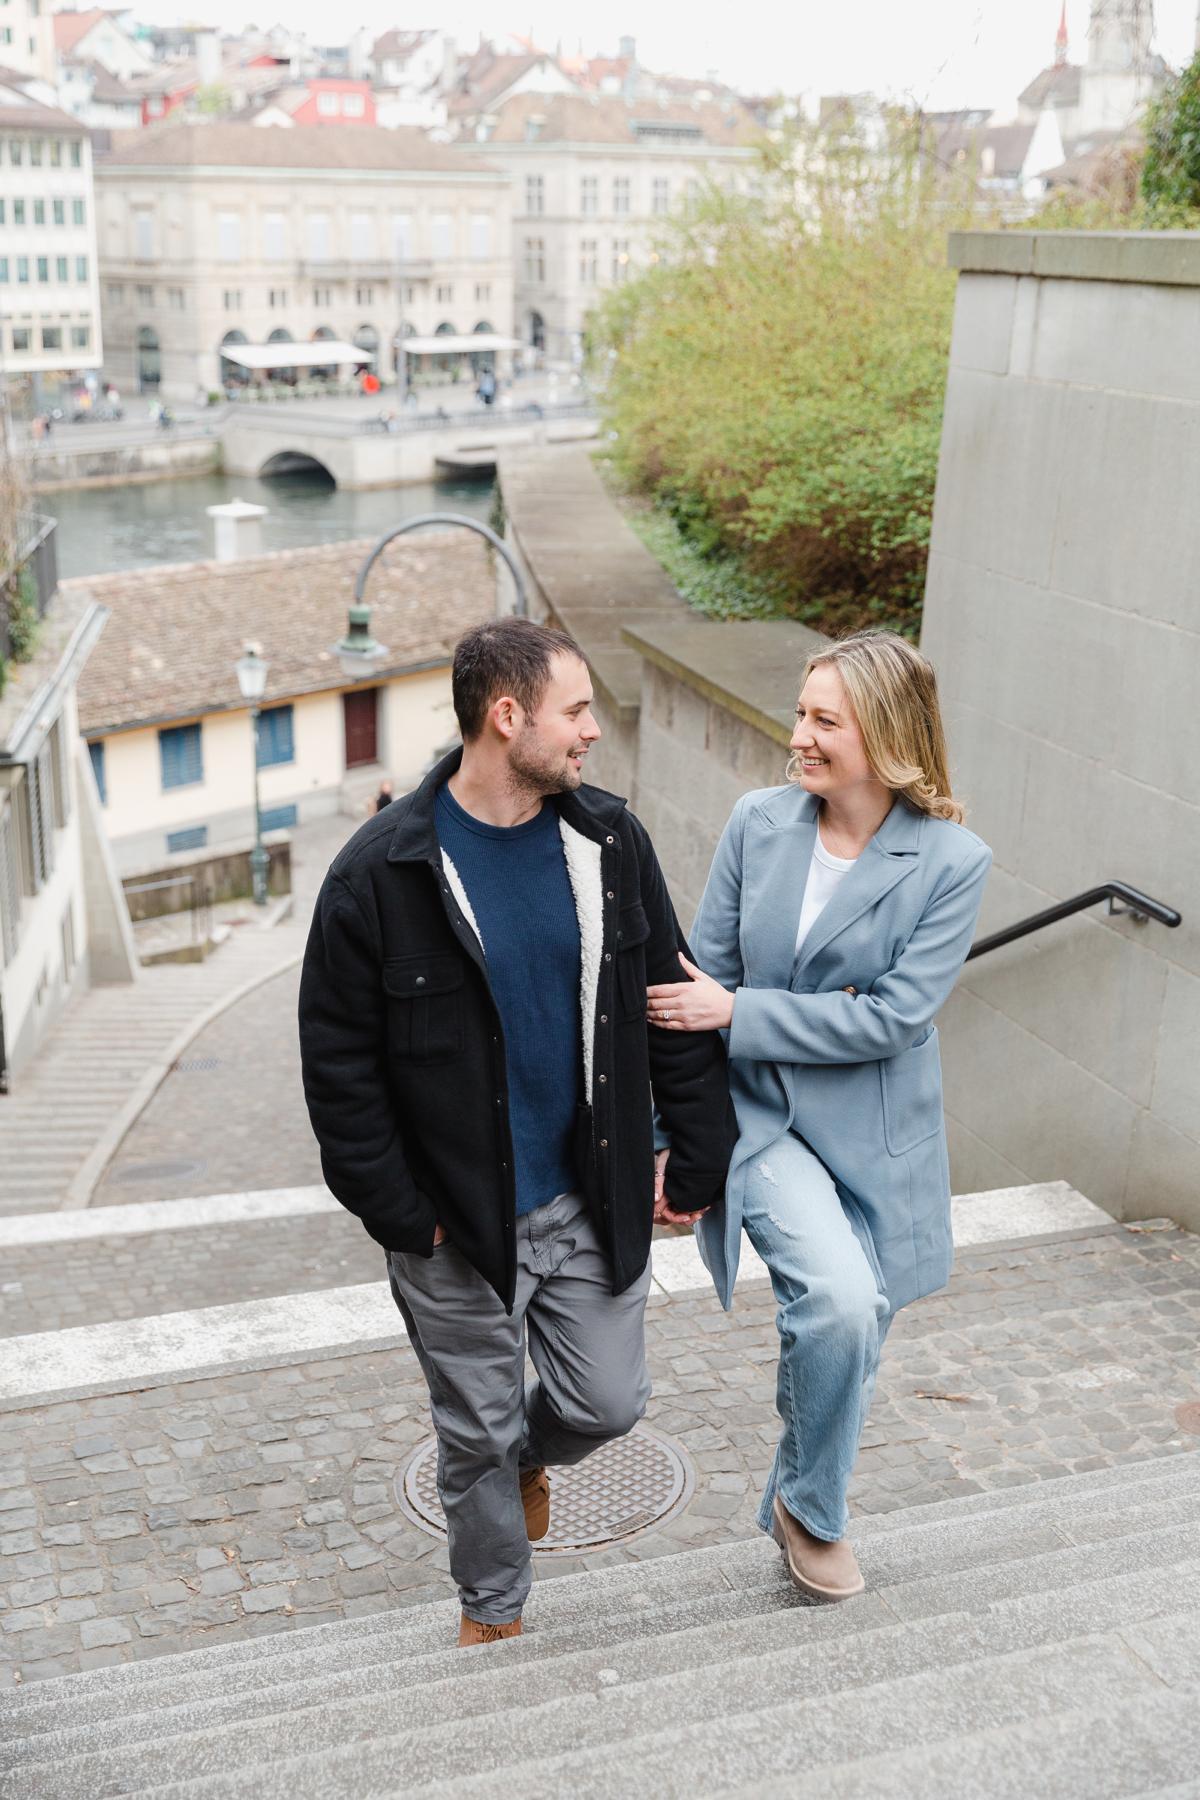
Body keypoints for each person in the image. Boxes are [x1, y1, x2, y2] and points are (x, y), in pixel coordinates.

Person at [299, 618, 736, 1647]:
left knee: (606, 1404)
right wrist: (404, 1214)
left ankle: (534, 1459)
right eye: (575, 711)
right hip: (456, 1225)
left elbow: (664, 997)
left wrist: (699, 1150)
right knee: (476, 1432)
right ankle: (493, 1616)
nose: (592, 732)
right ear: (508, 717)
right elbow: (338, 1068)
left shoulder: (609, 841)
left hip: (591, 1195)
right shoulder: (380, 874)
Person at [646, 629, 991, 1603]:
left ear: (882, 736)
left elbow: (891, 1018)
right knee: (839, 1301)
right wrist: (671, 1136)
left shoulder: (952, 863)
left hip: (878, 1134)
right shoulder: (760, 823)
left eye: (822, 720)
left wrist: (741, 1012)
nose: (797, 734)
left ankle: (797, 1497)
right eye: (801, 712)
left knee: (857, 1323)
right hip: (761, 1119)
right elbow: (691, 991)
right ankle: (816, 1510)